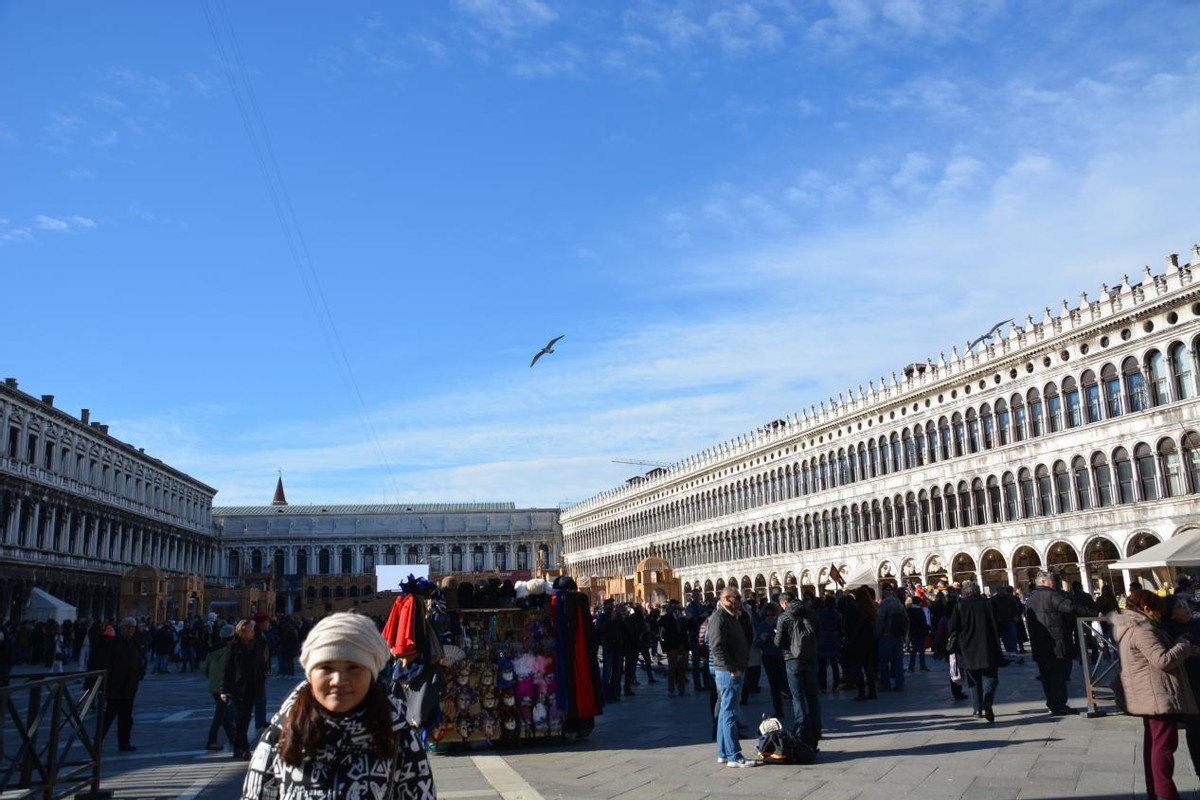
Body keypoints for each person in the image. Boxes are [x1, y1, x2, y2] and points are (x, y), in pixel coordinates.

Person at [239, 612, 436, 800]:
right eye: (326, 667)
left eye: (353, 667)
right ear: (310, 673)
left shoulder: (397, 735)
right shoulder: (282, 731)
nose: (339, 680)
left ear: (371, 672)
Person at [1113, 590, 1200, 800]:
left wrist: (1176, 642)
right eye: (1156, 610)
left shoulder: (1130, 625)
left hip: (1147, 693)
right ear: (1146, 608)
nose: (1159, 614)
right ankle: (1165, 793)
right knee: (1163, 746)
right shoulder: (1143, 629)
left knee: (1154, 744)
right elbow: (1162, 660)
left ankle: (1155, 790)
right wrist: (1183, 647)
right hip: (1157, 694)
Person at [1024, 570, 1092, 715]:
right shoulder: (1052, 595)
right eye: (1051, 580)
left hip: (1038, 643)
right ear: (1044, 582)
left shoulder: (1031, 598)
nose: (1054, 583)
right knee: (1058, 676)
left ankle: (1052, 703)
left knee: (1046, 676)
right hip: (1056, 642)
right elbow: (1070, 608)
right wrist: (1091, 612)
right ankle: (1060, 705)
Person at [710, 586, 755, 768]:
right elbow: (717, 647)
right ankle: (734, 756)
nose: (740, 601)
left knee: (724, 712)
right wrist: (732, 667)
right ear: (727, 599)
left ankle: (723, 753)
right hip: (728, 671)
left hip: (732, 669)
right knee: (730, 713)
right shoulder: (719, 617)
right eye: (737, 598)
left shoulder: (731, 616)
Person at [948, 580, 1003, 722]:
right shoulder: (989, 604)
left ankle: (977, 709)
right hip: (988, 645)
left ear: (964, 593)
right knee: (991, 676)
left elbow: (952, 627)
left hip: (968, 648)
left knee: (973, 680)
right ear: (978, 591)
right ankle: (987, 701)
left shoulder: (959, 606)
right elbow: (999, 622)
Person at [775, 593, 821, 741]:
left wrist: (777, 635)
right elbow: (819, 633)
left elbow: (778, 642)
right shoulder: (811, 613)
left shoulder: (784, 617)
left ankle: (802, 729)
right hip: (811, 658)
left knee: (797, 696)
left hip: (792, 659)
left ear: (784, 603)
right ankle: (817, 729)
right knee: (812, 696)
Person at [96, 617, 144, 752]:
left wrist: (139, 675)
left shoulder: (135, 642)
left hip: (130, 687)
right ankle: (97, 740)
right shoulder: (112, 643)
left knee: (126, 718)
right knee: (109, 716)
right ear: (121, 627)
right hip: (115, 686)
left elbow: (139, 661)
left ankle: (124, 743)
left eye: (132, 627)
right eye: (128, 626)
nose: (130, 629)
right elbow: (105, 662)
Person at [223, 619, 267, 759]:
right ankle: (244, 748)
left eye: (252, 630)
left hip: (254, 685)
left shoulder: (256, 645)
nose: (252, 632)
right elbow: (228, 669)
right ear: (242, 632)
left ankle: (237, 747)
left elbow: (261, 662)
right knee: (242, 719)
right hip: (239, 687)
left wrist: (264, 673)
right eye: (249, 630)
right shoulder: (234, 647)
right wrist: (224, 689)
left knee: (245, 719)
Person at [201, 623, 238, 751]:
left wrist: (212, 677)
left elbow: (204, 667)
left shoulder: (213, 650)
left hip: (214, 685)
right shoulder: (230, 650)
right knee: (220, 714)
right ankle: (211, 740)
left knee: (223, 712)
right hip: (225, 686)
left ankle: (232, 736)